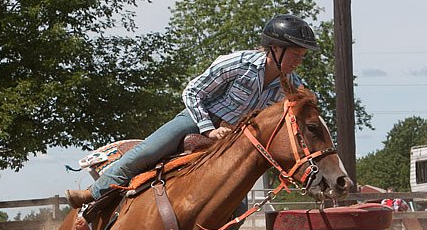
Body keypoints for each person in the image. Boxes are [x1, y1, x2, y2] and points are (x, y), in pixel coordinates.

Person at [66, 13, 321, 208]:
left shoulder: (292, 87)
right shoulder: (237, 63)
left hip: (233, 140)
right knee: (149, 151)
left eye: (302, 56)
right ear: (275, 48)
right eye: (295, 54)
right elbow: (192, 91)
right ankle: (94, 192)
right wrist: (208, 130)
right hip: (199, 119)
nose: (298, 60)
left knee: (237, 203)